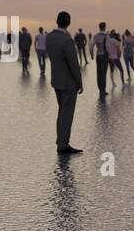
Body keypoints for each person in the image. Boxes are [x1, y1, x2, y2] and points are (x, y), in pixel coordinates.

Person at [46, 11, 83, 154]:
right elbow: (74, 64)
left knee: (61, 111)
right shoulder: (67, 40)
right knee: (67, 114)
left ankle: (60, 140)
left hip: (56, 80)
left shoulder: (49, 37)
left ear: (57, 21)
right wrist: (80, 83)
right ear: (68, 22)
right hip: (69, 83)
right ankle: (63, 144)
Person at [89, 22, 110, 97]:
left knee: (99, 73)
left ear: (99, 27)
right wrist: (109, 55)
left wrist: (91, 54)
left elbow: (91, 45)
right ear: (104, 27)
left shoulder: (96, 36)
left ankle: (100, 89)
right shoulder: (106, 36)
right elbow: (108, 48)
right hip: (104, 56)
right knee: (103, 73)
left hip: (98, 56)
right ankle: (103, 90)